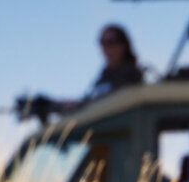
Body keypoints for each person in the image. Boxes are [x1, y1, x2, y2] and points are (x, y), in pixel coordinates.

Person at [15, 24, 145, 122]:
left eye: (110, 42)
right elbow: (87, 104)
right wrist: (50, 105)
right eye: (102, 43)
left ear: (123, 44)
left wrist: (61, 106)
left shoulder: (131, 76)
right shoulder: (103, 78)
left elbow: (103, 107)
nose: (105, 48)